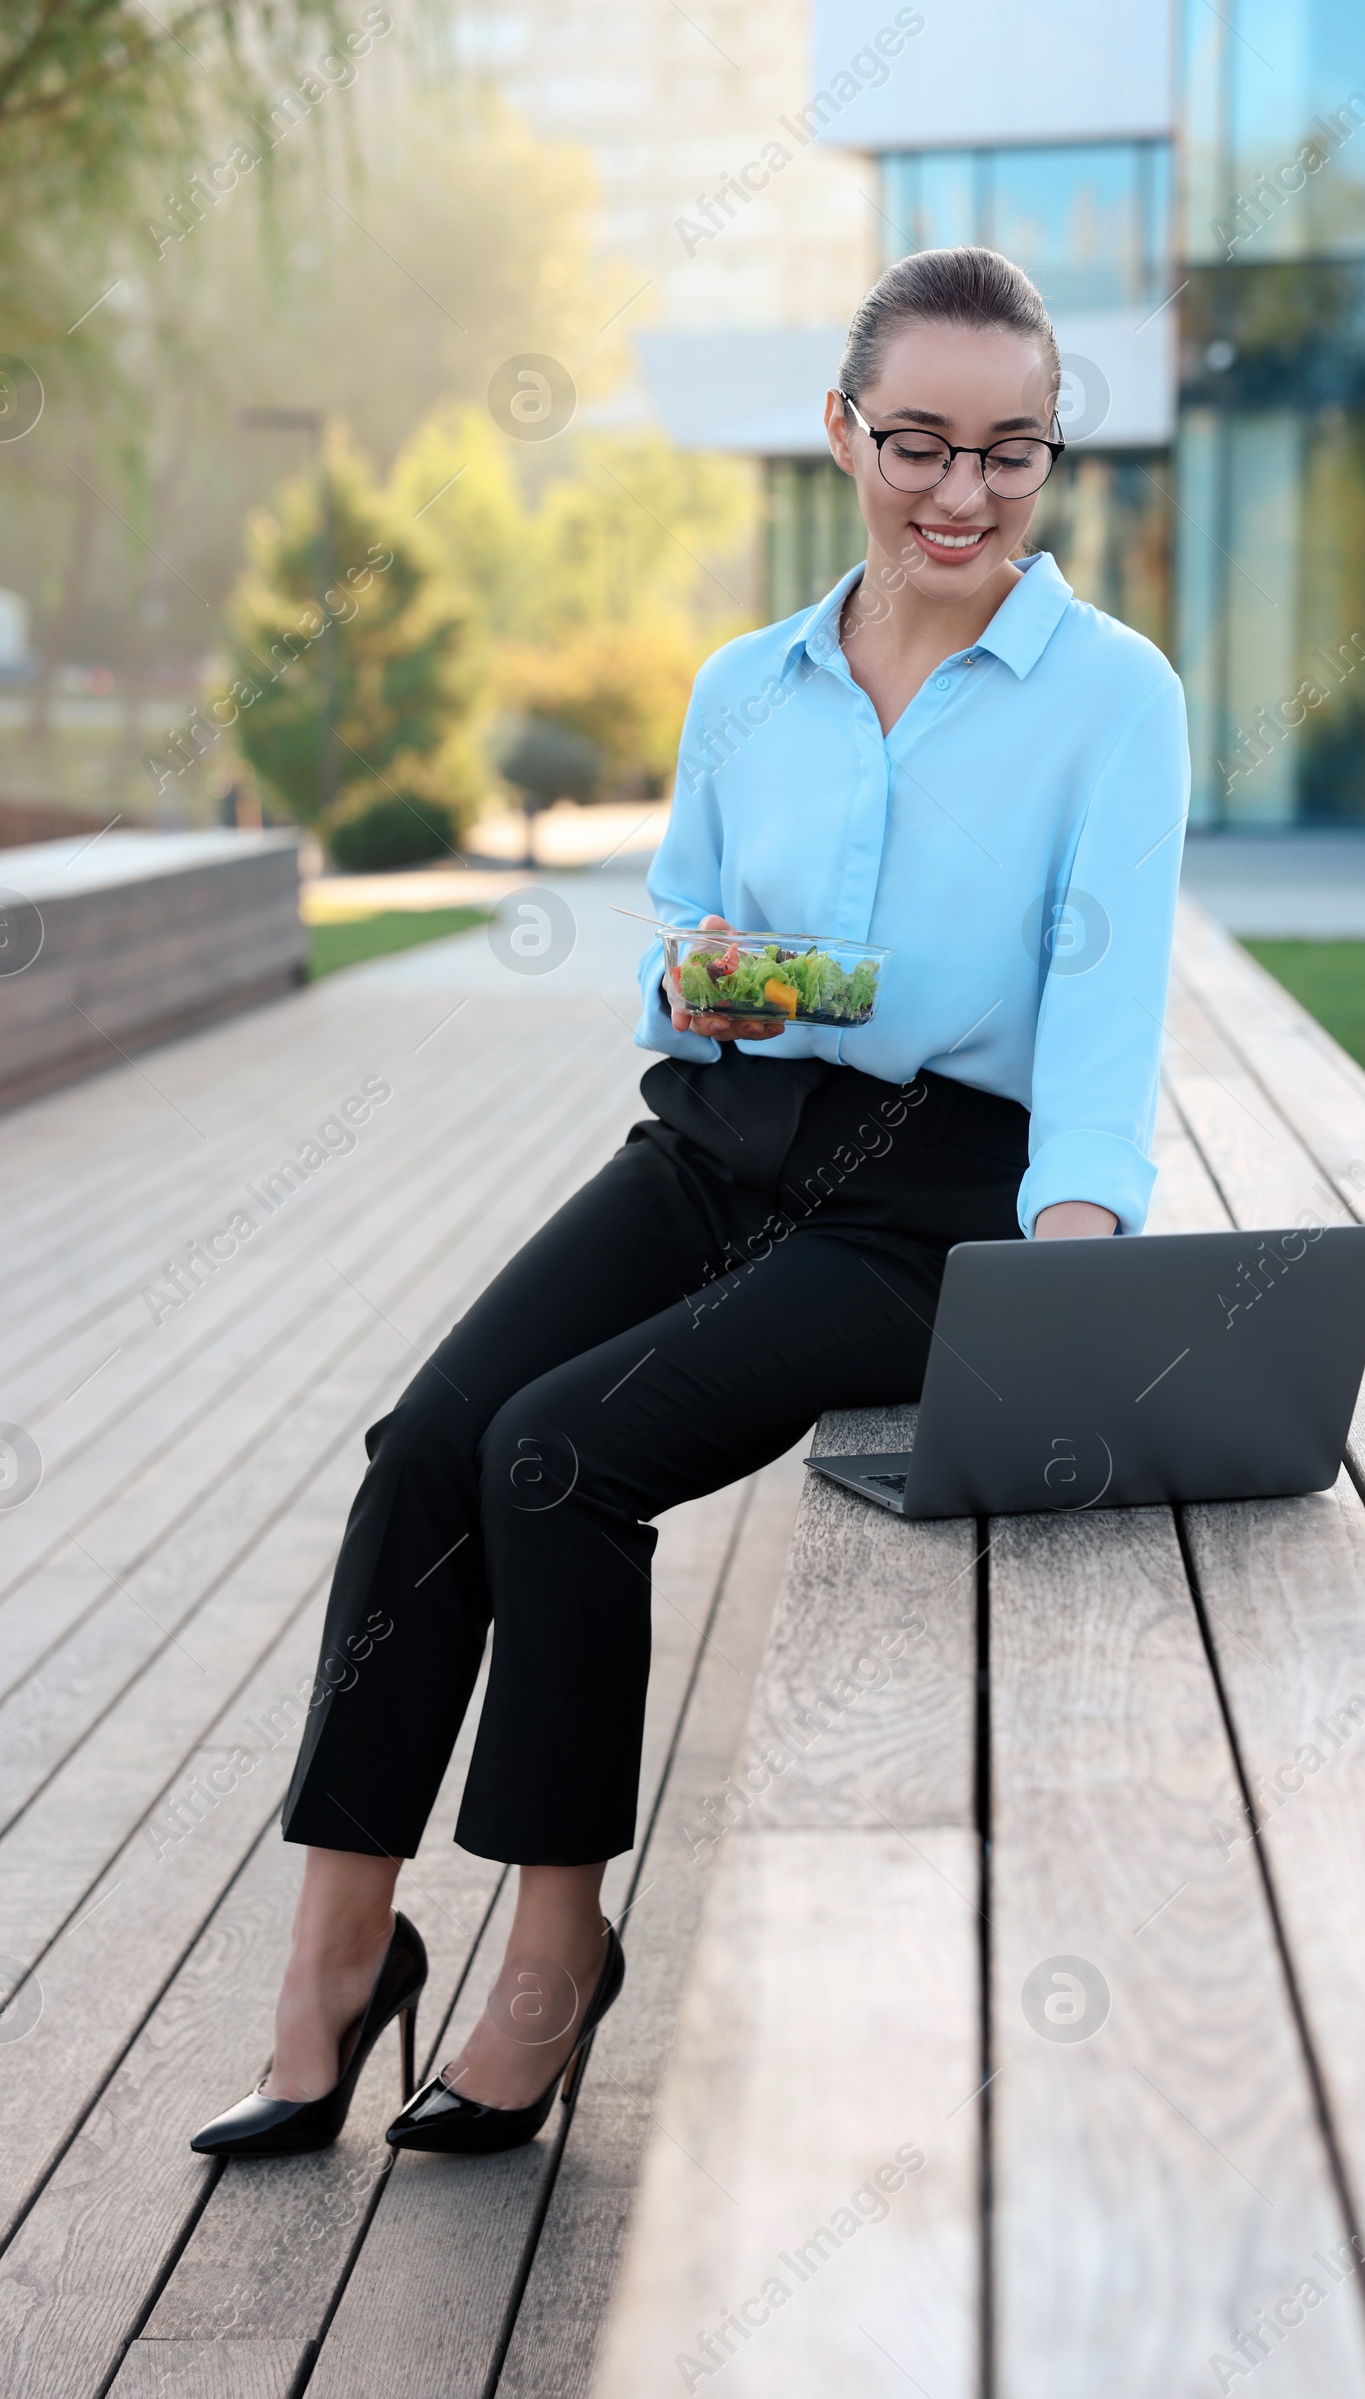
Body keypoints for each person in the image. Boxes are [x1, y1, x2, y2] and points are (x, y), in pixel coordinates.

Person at [191, 244, 1189, 2163]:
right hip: (711, 1139)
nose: (962, 496)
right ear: (843, 432)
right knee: (427, 1445)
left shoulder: (1113, 700)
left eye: (1014, 453)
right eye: (918, 444)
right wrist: (726, 974)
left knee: (558, 1458)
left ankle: (554, 1961)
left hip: (928, 1201)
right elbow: (673, 952)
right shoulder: (750, 684)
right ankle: (334, 1954)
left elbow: (1097, 1012)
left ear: (1058, 454)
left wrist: (1071, 1277)